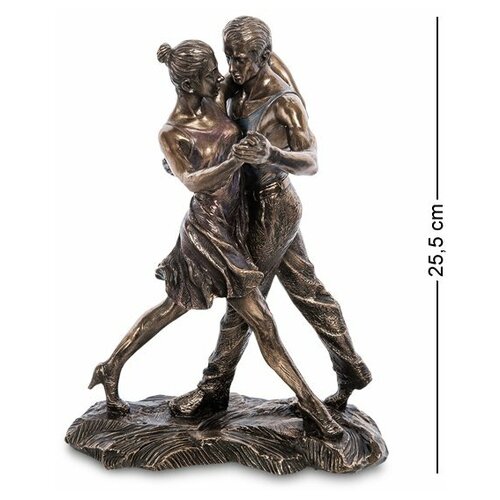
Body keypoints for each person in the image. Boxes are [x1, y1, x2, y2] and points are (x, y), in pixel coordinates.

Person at [88, 39, 343, 440]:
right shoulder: (172, 133)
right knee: (263, 324)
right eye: (211, 74)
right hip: (210, 232)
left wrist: (265, 58)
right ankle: (315, 408)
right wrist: (235, 159)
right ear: (190, 85)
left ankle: (111, 367)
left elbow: (270, 66)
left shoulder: (216, 97)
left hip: (237, 220)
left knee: (171, 308)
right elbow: (194, 182)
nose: (221, 76)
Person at [171, 17, 372, 418]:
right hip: (244, 204)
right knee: (306, 289)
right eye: (229, 57)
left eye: (242, 59)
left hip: (273, 204)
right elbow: (210, 128)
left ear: (264, 57)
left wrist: (273, 155)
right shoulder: (236, 85)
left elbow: (311, 161)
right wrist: (189, 163)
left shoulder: (283, 102)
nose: (233, 67)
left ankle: (213, 388)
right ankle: (352, 369)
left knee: (243, 297)